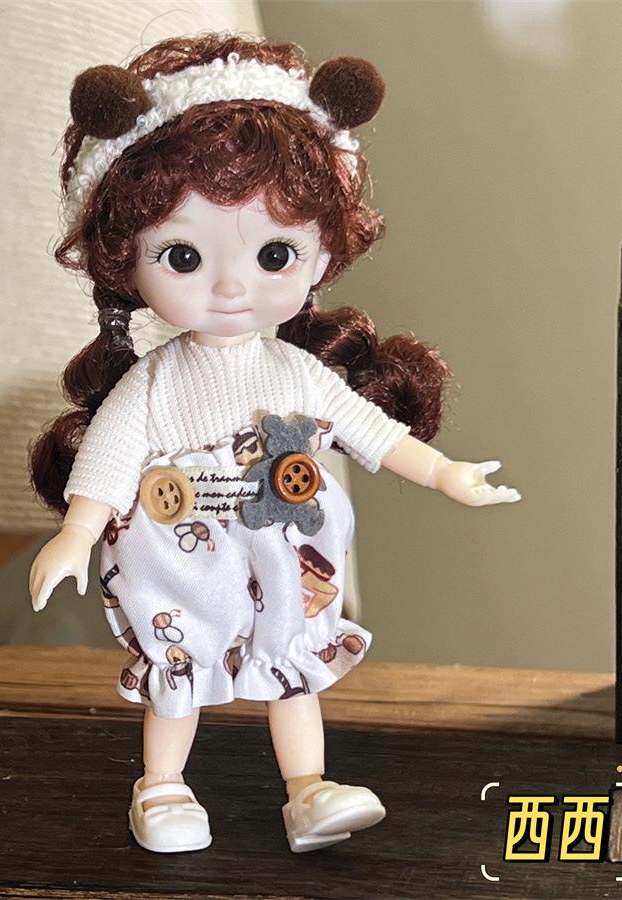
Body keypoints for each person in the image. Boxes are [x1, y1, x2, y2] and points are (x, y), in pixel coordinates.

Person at [28, 34, 520, 855]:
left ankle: (309, 788)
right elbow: (110, 457)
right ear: (127, 261)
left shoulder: (297, 372)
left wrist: (445, 473)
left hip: (284, 549)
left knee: (289, 663)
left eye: (274, 254)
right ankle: (162, 786)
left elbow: (370, 432)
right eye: (183, 256)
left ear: (322, 253)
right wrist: (77, 533)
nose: (230, 286)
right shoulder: (155, 382)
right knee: (181, 670)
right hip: (179, 554)